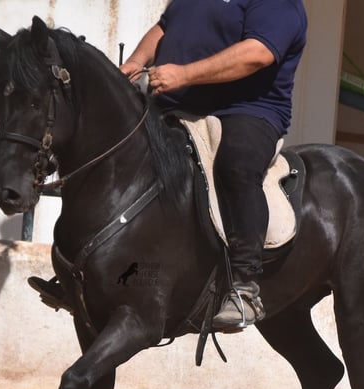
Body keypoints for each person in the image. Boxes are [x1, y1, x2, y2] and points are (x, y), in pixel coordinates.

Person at [120, 0, 307, 329]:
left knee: (236, 165)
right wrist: (136, 61)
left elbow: (257, 52)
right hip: (176, 102)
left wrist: (183, 74)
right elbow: (164, 27)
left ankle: (244, 286)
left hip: (247, 109)